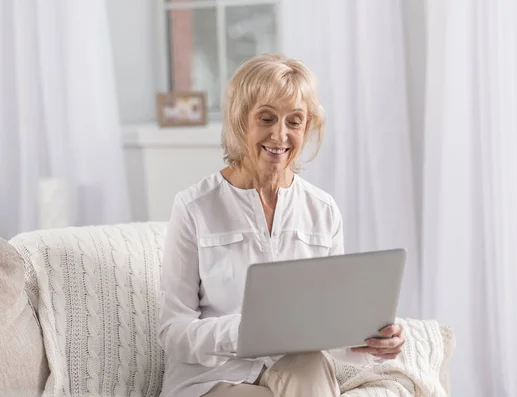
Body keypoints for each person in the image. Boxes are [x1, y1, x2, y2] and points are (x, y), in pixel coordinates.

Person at [158, 54, 405, 397]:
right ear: (240, 120)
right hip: (213, 380)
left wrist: (373, 340)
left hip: (297, 373)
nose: (280, 134)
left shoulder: (323, 210)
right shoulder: (194, 207)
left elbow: (330, 328)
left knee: (310, 366)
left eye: (295, 121)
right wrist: (245, 330)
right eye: (266, 118)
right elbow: (173, 332)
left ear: (308, 127)